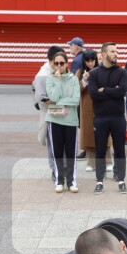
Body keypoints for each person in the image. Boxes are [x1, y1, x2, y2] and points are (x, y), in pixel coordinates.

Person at [87, 42, 127, 195]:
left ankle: (121, 180)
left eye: (116, 51)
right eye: (112, 51)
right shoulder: (95, 73)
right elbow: (93, 94)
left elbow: (123, 91)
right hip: (101, 118)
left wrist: (104, 89)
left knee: (120, 150)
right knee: (100, 150)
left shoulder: (122, 72)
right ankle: (99, 181)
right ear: (103, 54)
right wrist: (113, 91)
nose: (116, 54)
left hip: (118, 118)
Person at [45, 50, 81, 193]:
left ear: (67, 63)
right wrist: (58, 80)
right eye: (56, 63)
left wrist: (59, 101)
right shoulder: (50, 79)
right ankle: (59, 180)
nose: (59, 66)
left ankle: (71, 181)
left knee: (71, 152)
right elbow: (53, 97)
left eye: (62, 63)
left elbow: (75, 100)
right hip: (54, 120)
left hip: (70, 121)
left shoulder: (73, 79)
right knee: (57, 152)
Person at [35, 45, 66, 185]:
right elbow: (41, 99)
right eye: (58, 61)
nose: (61, 64)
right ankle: (55, 171)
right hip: (50, 115)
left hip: (62, 114)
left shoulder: (57, 71)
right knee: (53, 146)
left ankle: (64, 169)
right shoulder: (43, 75)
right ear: (52, 60)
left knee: (63, 144)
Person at [79, 51, 112, 176]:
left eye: (92, 60)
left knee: (105, 133)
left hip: (101, 105)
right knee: (89, 135)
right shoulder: (79, 72)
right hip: (87, 108)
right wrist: (84, 81)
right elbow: (76, 90)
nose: (90, 63)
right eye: (88, 61)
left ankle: (108, 161)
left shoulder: (101, 71)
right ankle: (91, 162)